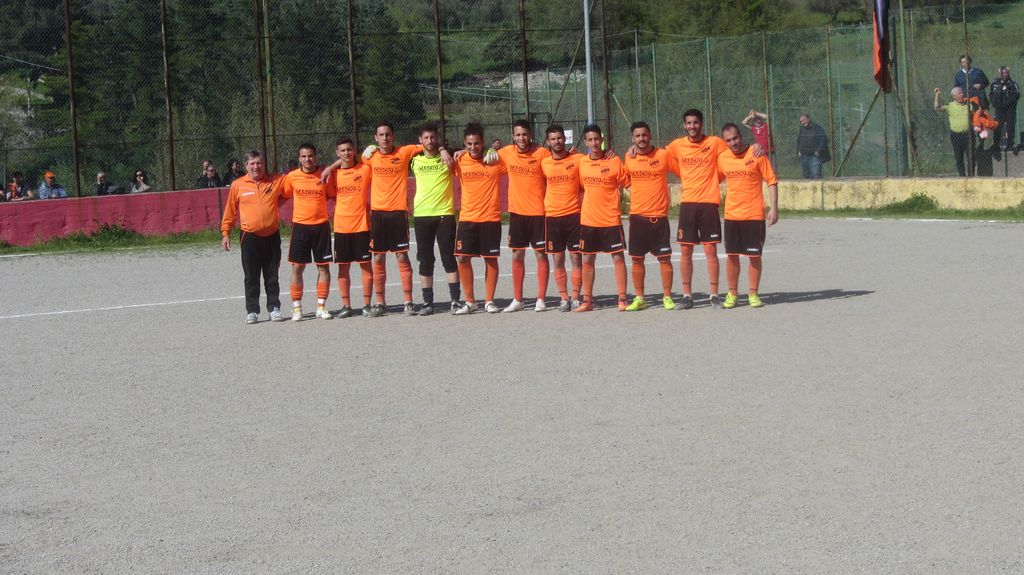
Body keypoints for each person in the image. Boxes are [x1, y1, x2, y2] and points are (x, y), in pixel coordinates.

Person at [327, 122, 453, 317]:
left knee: (401, 256)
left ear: (393, 136)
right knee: (378, 258)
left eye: (388, 134)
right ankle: (380, 302)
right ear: (376, 138)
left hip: (398, 213)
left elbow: (429, 144)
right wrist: (329, 168)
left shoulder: (405, 152)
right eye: (381, 135)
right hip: (378, 215)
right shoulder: (370, 156)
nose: (385, 138)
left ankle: (408, 301)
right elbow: (347, 157)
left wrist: (443, 149)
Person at [664, 109, 728, 309]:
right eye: (689, 123)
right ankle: (686, 296)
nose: (692, 126)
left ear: (701, 123)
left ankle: (714, 295)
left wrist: (756, 147)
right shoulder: (677, 145)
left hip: (709, 203)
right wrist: (633, 149)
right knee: (685, 251)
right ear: (684, 125)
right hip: (688, 204)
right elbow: (660, 156)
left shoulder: (715, 143)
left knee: (711, 250)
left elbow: (732, 156)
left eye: (696, 122)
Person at [220, 150, 286, 324]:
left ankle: (274, 308)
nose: (256, 167)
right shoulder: (238, 185)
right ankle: (252, 311)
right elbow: (230, 210)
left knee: (272, 275)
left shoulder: (275, 181)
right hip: (249, 237)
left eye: (259, 163)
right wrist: (226, 233)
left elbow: (293, 182)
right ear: (246, 166)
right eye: (252, 163)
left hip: (272, 236)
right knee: (251, 276)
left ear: (264, 164)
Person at [718, 123, 778, 309]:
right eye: (728, 140)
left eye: (735, 138)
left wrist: (774, 208)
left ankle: (753, 294)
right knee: (732, 256)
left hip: (753, 215)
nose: (733, 143)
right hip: (732, 215)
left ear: (741, 136)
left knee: (754, 256)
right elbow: (711, 178)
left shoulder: (756, 153)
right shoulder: (722, 158)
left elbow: (771, 181)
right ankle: (732, 294)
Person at [623, 121, 679, 311]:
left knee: (664, 258)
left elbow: (681, 171)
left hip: (658, 217)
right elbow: (624, 178)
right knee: (637, 259)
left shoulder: (663, 155)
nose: (642, 139)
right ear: (632, 139)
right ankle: (640, 298)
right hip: (637, 217)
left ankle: (667, 297)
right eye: (637, 136)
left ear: (650, 136)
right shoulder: (629, 157)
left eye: (644, 135)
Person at [452, 123, 506, 315]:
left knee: (490, 259)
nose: (473, 147)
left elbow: (516, 154)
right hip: (467, 218)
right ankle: (470, 301)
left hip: (490, 218)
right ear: (464, 144)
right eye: (469, 144)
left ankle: (489, 301)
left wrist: (494, 150)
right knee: (462, 258)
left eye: (476, 143)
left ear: (483, 142)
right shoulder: (460, 160)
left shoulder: (495, 160)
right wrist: (451, 151)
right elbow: (439, 156)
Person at [498, 119, 551, 312]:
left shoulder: (542, 153)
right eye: (518, 134)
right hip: (517, 213)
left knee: (540, 254)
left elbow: (557, 164)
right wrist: (463, 152)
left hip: (538, 212)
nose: (521, 138)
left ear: (531, 135)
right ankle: (518, 299)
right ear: (513, 136)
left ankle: (541, 299)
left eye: (524, 134)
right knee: (517, 254)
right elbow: (483, 155)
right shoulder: (506, 152)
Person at [575, 124, 630, 312]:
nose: (594, 143)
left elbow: (628, 183)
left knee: (618, 258)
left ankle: (622, 298)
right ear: (585, 142)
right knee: (587, 260)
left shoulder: (614, 161)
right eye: (590, 140)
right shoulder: (581, 162)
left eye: (596, 139)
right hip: (588, 220)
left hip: (610, 219)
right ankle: (587, 301)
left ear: (602, 139)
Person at [410, 123, 461, 315]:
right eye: (426, 138)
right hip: (422, 216)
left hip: (444, 215)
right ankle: (428, 303)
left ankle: (455, 301)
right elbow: (390, 154)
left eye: (433, 137)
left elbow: (471, 151)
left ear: (437, 139)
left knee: (449, 258)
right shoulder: (414, 160)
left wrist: (443, 150)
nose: (429, 141)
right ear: (420, 140)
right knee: (425, 260)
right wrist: (371, 148)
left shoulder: (448, 157)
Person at [282, 143, 336, 321]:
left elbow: (331, 194)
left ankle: (321, 307)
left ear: (315, 156)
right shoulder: (292, 177)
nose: (307, 159)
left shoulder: (324, 175)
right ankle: (297, 308)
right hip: (300, 226)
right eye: (304, 156)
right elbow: (284, 194)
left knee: (324, 267)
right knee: (297, 267)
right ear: (299, 158)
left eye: (310, 156)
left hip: (321, 226)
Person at [328, 138, 374, 318]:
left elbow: (377, 161)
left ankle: (366, 304)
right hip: (341, 227)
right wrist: (331, 167)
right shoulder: (333, 175)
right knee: (343, 268)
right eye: (342, 150)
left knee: (366, 266)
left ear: (354, 150)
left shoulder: (365, 169)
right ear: (337, 153)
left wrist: (372, 148)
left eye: (349, 149)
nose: (346, 153)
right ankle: (346, 305)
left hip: (362, 226)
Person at [540, 124, 584, 312]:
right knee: (557, 259)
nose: (557, 141)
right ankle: (563, 298)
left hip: (574, 215)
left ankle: (575, 297)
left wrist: (608, 152)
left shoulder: (578, 159)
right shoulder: (544, 163)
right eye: (553, 139)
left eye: (559, 138)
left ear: (564, 139)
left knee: (576, 258)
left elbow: (596, 159)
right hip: (553, 216)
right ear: (548, 141)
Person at [934, 86, 972, 176]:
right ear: (954, 96)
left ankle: (971, 176)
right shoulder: (950, 106)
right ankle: (962, 176)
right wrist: (937, 95)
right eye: (960, 93)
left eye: (962, 92)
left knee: (971, 157)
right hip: (956, 136)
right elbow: (937, 108)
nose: (962, 95)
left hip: (968, 135)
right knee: (958, 157)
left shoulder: (968, 105)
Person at [989, 66, 1019, 151]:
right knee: (997, 126)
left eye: (1005, 73)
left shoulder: (1012, 83)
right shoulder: (995, 83)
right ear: (999, 74)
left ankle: (1010, 144)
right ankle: (996, 145)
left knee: (1010, 126)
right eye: (1002, 73)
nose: (1004, 75)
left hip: (1010, 109)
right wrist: (995, 104)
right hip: (999, 109)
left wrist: (1007, 103)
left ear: (1008, 73)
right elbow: (991, 94)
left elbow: (1017, 95)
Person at [796, 114, 829, 179]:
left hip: (814, 157)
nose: (803, 122)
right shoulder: (801, 129)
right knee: (806, 176)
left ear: (808, 119)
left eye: (804, 120)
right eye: (801, 121)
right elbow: (798, 141)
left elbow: (824, 140)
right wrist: (798, 151)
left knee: (816, 176)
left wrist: (819, 151)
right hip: (803, 156)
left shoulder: (817, 128)